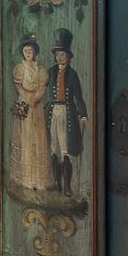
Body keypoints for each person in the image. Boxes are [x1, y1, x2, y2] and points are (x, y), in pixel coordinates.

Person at [47, 29, 87, 200]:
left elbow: (78, 96)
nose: (60, 57)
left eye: (62, 54)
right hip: (52, 112)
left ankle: (67, 186)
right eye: (57, 54)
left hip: (67, 112)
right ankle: (57, 183)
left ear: (68, 56)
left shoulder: (72, 74)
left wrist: (84, 115)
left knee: (66, 149)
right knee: (53, 148)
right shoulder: (50, 72)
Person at [8, 34, 52, 191]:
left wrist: (36, 98)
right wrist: (27, 98)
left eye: (31, 51)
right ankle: (26, 179)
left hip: (37, 106)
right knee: (26, 137)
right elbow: (19, 87)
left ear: (35, 53)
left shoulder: (40, 70)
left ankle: (39, 180)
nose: (28, 53)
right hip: (24, 104)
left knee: (38, 137)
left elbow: (42, 88)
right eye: (26, 50)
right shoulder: (19, 69)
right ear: (22, 52)